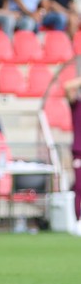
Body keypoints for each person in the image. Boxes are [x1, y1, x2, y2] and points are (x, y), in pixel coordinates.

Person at [62, 76, 81, 221]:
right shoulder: (77, 105)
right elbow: (68, 86)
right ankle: (78, 219)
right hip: (79, 151)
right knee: (79, 186)